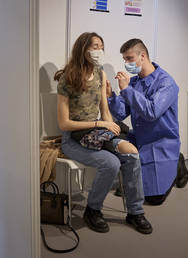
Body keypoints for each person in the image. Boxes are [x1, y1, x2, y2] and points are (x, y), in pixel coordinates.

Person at [55, 32, 152, 234]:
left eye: (101, 46)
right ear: (83, 49)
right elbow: (64, 124)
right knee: (111, 163)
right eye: (94, 46)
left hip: (97, 133)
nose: (99, 51)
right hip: (73, 139)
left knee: (132, 153)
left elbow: (105, 111)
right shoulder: (68, 78)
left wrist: (112, 131)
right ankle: (92, 210)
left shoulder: (100, 74)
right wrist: (99, 123)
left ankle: (135, 212)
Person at [107, 38, 188, 206]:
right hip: (140, 139)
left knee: (154, 199)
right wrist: (111, 96)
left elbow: (151, 112)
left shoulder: (166, 83)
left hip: (161, 142)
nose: (126, 63)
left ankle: (177, 163)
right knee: (109, 136)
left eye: (129, 59)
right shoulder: (135, 82)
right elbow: (121, 113)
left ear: (142, 56)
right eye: (125, 60)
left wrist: (127, 90)